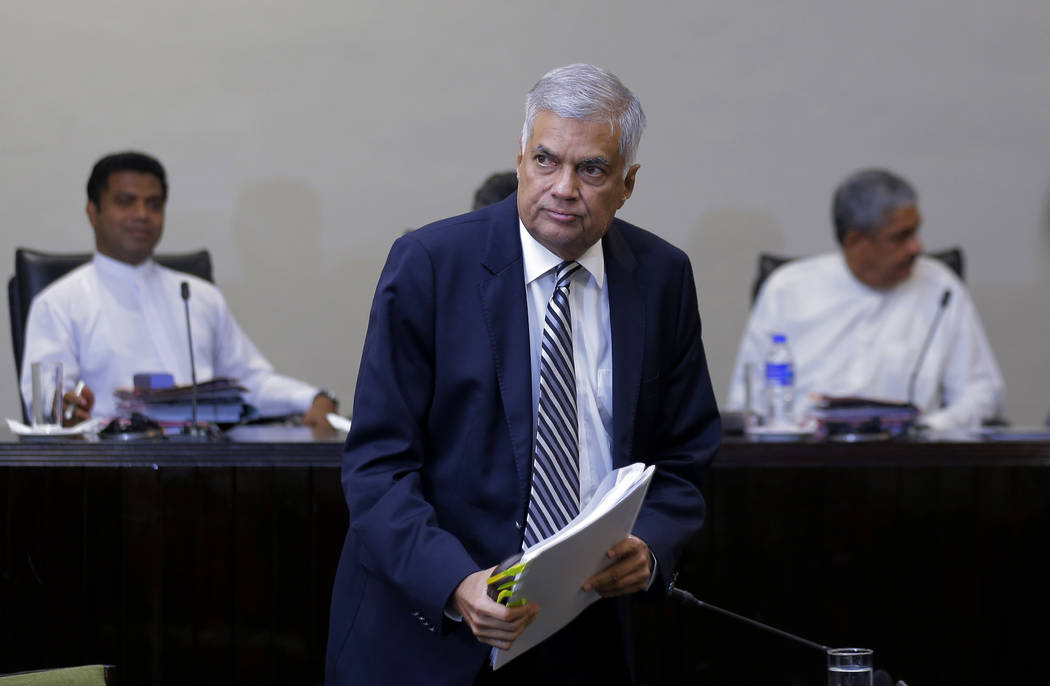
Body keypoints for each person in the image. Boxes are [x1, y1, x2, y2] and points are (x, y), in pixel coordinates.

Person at [325, 64, 721, 685]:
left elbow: (685, 454)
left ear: (628, 183)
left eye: (591, 169)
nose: (564, 187)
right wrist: (454, 581)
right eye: (546, 160)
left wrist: (649, 546)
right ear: (518, 159)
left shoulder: (661, 276)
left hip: (585, 627)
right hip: (429, 633)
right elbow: (378, 464)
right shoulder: (430, 266)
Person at [20, 151, 337, 427]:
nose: (142, 214)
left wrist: (313, 398)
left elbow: (248, 382)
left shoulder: (199, 297)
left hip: (204, 467)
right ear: (93, 212)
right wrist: (64, 407)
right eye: (125, 202)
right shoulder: (59, 302)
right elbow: (44, 395)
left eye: (153, 204)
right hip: (104, 470)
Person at [727, 168, 1004, 431]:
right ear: (856, 241)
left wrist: (930, 428)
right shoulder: (787, 290)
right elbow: (746, 402)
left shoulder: (940, 288)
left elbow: (982, 392)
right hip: (804, 464)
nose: (917, 248)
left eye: (916, 232)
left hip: (909, 463)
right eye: (901, 237)